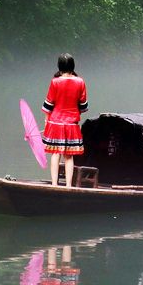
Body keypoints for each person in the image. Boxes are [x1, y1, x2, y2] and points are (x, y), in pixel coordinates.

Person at [42, 53, 88, 187]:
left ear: (59, 66)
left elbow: (49, 104)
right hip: (72, 124)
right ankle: (68, 186)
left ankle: (54, 185)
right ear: (72, 66)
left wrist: (46, 121)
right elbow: (83, 106)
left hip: (55, 122)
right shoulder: (80, 81)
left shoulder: (55, 81)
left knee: (56, 153)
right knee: (69, 156)